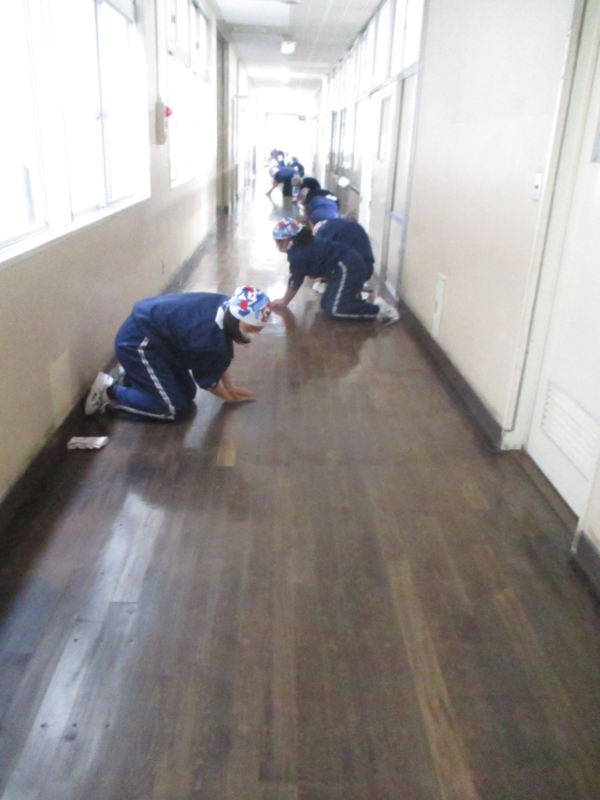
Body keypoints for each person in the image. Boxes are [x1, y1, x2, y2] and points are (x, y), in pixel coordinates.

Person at [84, 286, 272, 421]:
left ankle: (129, 376)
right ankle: (108, 391)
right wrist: (227, 397)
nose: (251, 336)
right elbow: (208, 378)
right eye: (249, 328)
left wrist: (229, 386)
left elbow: (217, 358)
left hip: (157, 341)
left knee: (187, 393)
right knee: (172, 409)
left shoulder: (226, 306)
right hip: (137, 343)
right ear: (235, 318)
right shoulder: (209, 335)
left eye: (257, 330)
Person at [270, 218, 399, 323]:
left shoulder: (298, 253)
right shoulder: (304, 244)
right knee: (326, 304)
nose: (277, 245)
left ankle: (379, 310)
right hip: (342, 267)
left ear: (287, 240)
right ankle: (363, 304)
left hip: (348, 266)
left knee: (335, 310)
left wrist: (284, 300)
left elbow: (295, 280)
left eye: (278, 242)